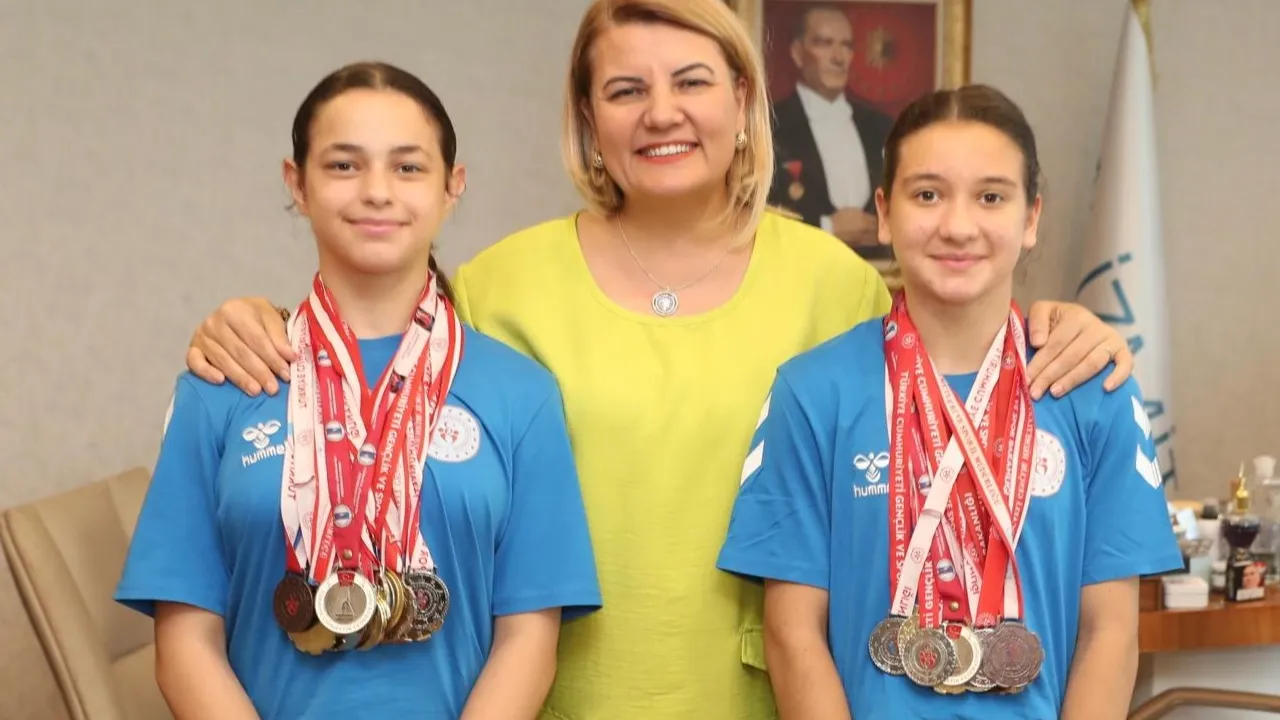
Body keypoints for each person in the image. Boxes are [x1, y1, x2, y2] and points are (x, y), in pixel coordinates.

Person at [179, 2, 1135, 718]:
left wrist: (1060, 324)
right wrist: (253, 320)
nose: (661, 113)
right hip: (542, 696)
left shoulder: (834, 281)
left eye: (692, 82)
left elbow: (951, 379)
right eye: (625, 90)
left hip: (775, 697)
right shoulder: (501, 284)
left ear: (744, 99)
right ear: (588, 117)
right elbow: (374, 387)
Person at [114, 61, 601, 720]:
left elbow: (528, 642)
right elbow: (185, 642)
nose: (377, 192)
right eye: (344, 165)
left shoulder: (521, 395)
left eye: (408, 167)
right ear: (298, 183)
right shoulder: (224, 384)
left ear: (452, 187)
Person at [716, 84, 1182, 720]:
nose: (959, 227)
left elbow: (1112, 632)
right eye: (928, 195)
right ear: (885, 213)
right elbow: (794, 633)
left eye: (991, 197)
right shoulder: (812, 392)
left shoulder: (1092, 390)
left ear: (1031, 218)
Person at [767, 3, 894, 256]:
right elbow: (751, 212)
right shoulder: (770, 124)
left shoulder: (881, 126)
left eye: (846, 45)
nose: (839, 57)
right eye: (824, 43)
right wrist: (826, 227)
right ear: (797, 53)